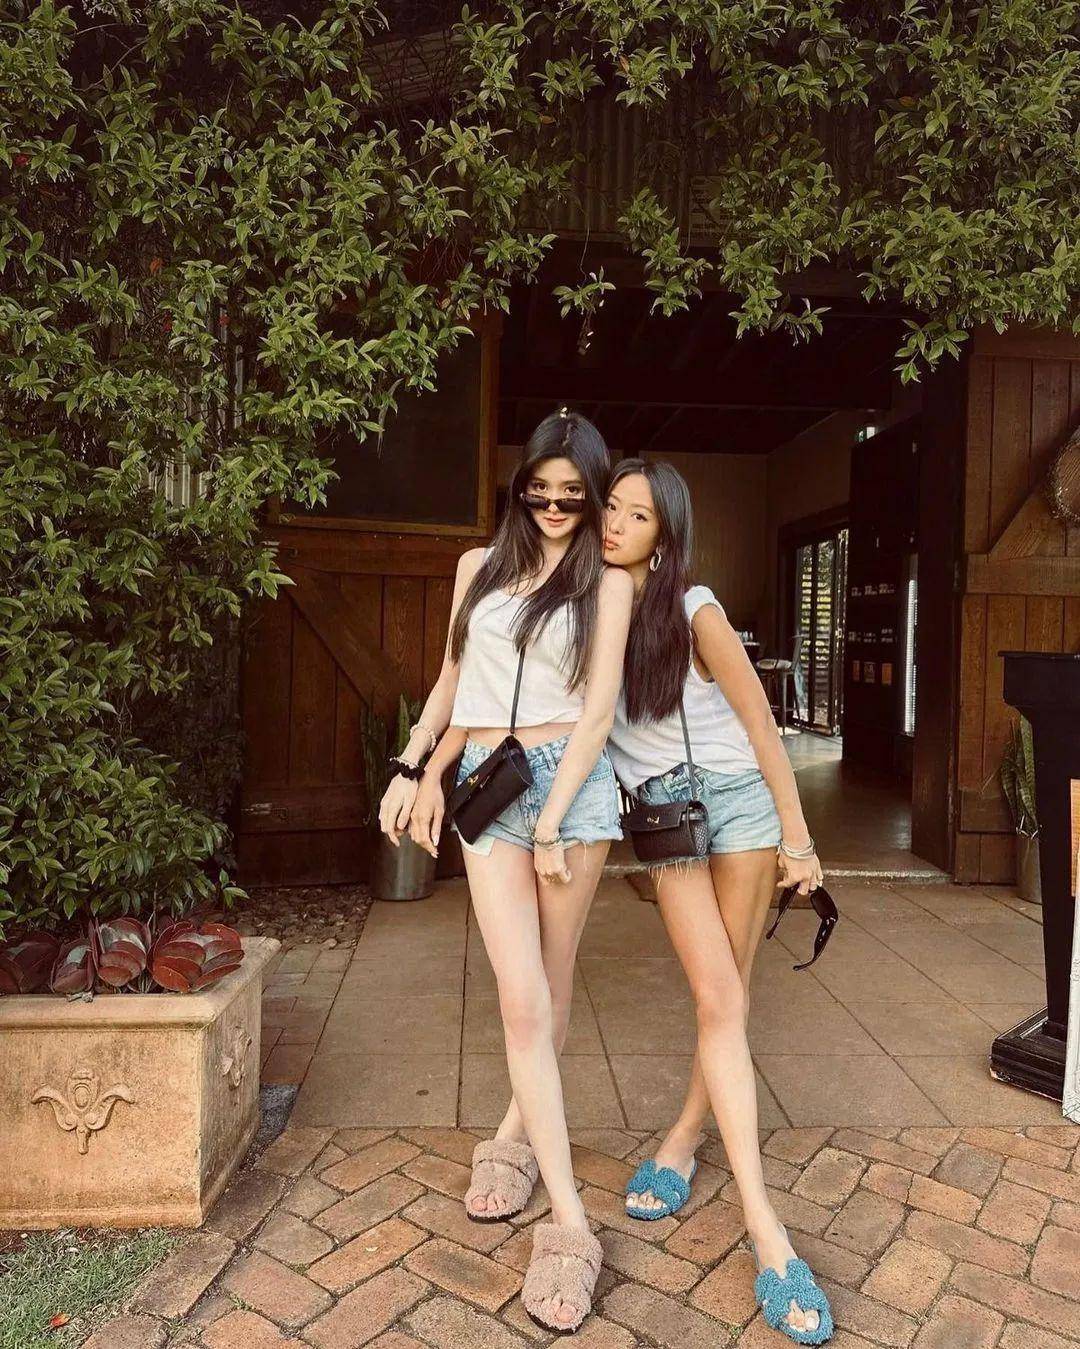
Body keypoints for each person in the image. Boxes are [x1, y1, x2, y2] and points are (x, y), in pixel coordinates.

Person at [378, 408, 632, 1334]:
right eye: (540, 490)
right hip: (490, 784)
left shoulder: (608, 582)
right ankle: (571, 1219)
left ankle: (516, 1143)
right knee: (522, 1000)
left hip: (571, 789)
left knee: (551, 989)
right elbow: (456, 685)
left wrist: (557, 816)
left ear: (592, 496)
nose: (555, 507)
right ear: (520, 487)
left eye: (573, 494)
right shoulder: (476, 569)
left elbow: (598, 709)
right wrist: (415, 765)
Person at [602, 457, 834, 1345]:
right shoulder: (589, 610)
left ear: (666, 536)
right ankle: (727, 1182)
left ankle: (737, 1197)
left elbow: (762, 725)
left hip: (737, 803)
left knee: (725, 994)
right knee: (718, 995)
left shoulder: (695, 610)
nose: (616, 524)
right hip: (661, 816)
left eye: (638, 515)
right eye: (611, 508)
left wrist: (797, 836)